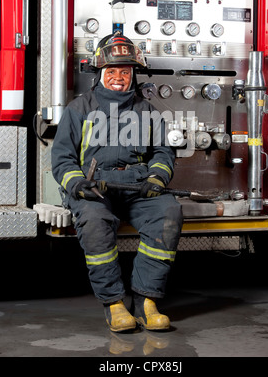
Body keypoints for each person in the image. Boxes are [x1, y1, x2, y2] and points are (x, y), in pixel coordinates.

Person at [51, 31, 183, 332]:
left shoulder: (147, 110)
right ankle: (114, 303)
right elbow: (62, 158)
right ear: (100, 73)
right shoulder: (79, 109)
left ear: (133, 74)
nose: (119, 77)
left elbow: (162, 151)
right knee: (95, 223)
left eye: (125, 71)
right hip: (94, 187)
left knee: (168, 213)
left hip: (138, 186)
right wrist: (77, 184)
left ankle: (146, 301)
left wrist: (157, 177)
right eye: (112, 71)